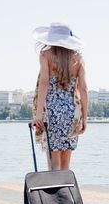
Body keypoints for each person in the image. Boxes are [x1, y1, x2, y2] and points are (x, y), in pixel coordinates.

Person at [32, 23, 88, 171]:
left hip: (52, 111)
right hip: (72, 112)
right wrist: (84, 117)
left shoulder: (45, 55)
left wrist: (38, 113)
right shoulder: (78, 58)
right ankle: (65, 193)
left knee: (53, 164)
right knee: (65, 166)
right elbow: (83, 89)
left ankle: (54, 194)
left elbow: (44, 83)